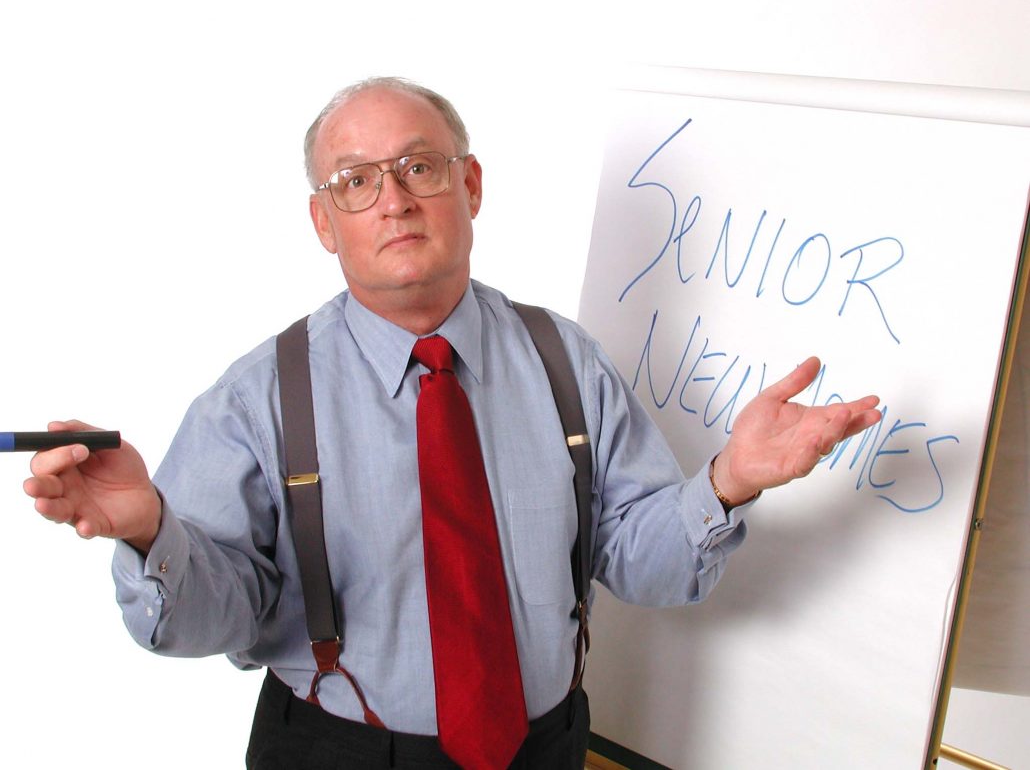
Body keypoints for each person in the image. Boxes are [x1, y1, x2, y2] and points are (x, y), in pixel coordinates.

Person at [23, 77, 881, 769]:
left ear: (469, 185)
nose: (392, 199)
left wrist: (727, 481)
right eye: (355, 181)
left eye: (418, 166)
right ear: (326, 223)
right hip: (336, 752)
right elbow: (221, 615)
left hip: (544, 746)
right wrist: (150, 533)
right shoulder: (256, 398)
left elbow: (641, 563)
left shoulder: (564, 361)